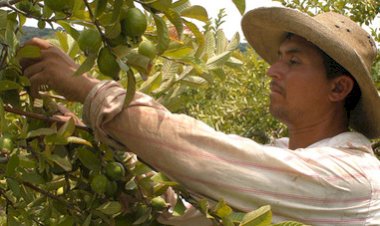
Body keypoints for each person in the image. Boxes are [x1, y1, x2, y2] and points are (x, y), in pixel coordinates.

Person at [20, 6, 380, 225]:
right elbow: (194, 218)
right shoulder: (285, 158)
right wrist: (90, 137)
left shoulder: (355, 178)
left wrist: (87, 88)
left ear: (338, 89)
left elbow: (202, 154)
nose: (273, 70)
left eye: (294, 61)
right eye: (279, 57)